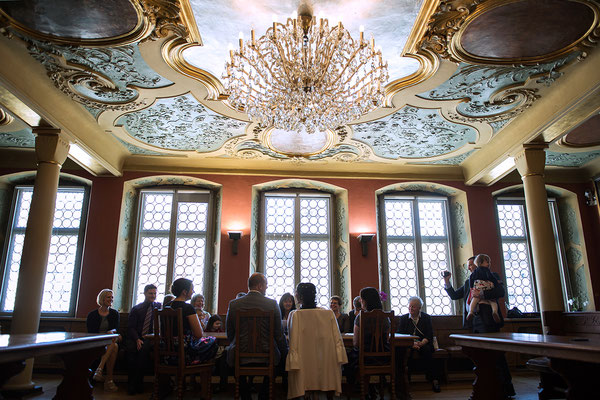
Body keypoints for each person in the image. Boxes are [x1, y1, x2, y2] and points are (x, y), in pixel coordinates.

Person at [442, 255, 515, 398]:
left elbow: (500, 292)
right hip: (475, 323)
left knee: (496, 356)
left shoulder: (492, 275)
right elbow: (455, 295)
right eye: (468, 265)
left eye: (471, 264)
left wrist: (481, 293)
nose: (469, 267)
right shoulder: (469, 281)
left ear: (478, 263)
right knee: (481, 357)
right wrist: (447, 282)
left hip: (488, 322)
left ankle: (505, 388)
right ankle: (486, 387)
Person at [225, 273, 287, 400]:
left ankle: (246, 396)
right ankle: (263, 396)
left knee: (231, 359)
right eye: (266, 285)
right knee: (279, 360)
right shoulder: (272, 304)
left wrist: (238, 345)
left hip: (240, 354)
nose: (266, 288)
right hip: (267, 355)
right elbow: (279, 334)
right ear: (259, 286)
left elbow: (230, 333)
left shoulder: (234, 304)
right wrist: (285, 352)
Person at [286, 283, 347, 398]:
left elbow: (292, 343)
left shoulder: (295, 315)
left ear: (299, 297)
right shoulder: (328, 313)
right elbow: (337, 338)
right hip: (326, 362)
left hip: (304, 364)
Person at [169, 278, 218, 364]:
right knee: (213, 341)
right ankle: (196, 365)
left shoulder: (167, 306)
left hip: (167, 348)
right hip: (185, 349)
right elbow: (199, 334)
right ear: (184, 292)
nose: (193, 291)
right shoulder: (188, 308)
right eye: (192, 289)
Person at [398, 296, 441, 393]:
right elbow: (400, 334)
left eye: (413, 307)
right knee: (405, 352)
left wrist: (422, 343)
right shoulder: (404, 318)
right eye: (409, 306)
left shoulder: (426, 317)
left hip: (423, 343)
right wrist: (411, 344)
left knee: (427, 351)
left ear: (419, 308)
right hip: (409, 344)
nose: (410, 308)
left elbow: (429, 334)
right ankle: (405, 382)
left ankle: (434, 380)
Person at [126, 284, 161, 395]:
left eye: (155, 293)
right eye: (150, 293)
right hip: (136, 337)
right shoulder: (136, 309)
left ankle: (135, 384)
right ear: (145, 293)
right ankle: (134, 383)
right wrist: (137, 339)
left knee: (143, 349)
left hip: (151, 338)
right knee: (131, 351)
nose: (153, 295)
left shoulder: (159, 307)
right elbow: (131, 327)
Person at [87, 288, 120, 392]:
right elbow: (91, 332)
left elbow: (115, 328)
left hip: (110, 339)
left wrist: (110, 333)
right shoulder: (92, 315)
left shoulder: (114, 313)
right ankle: (109, 381)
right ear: (102, 298)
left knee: (113, 342)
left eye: (112, 297)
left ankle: (99, 369)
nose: (111, 299)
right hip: (97, 340)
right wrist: (106, 334)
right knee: (114, 346)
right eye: (108, 297)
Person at [467, 254, 501, 323]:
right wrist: (495, 282)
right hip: (487, 287)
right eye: (487, 262)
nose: (488, 264)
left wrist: (472, 288)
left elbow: (501, 291)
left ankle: (470, 312)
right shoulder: (487, 271)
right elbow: (491, 277)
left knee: (474, 300)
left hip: (487, 317)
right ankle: (494, 311)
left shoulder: (475, 274)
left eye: (470, 265)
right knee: (493, 302)